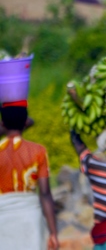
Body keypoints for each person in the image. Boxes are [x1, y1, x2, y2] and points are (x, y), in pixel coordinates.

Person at [0, 100, 59, 250]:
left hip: (3, 216)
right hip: (30, 216)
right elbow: (45, 194)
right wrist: (53, 233)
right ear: (26, 122)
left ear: (2, 123)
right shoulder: (38, 151)